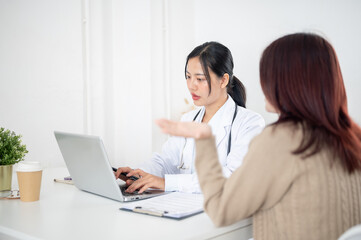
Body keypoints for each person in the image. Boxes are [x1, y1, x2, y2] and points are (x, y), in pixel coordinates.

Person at [156, 33, 361, 239]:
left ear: (288, 83)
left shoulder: (278, 140)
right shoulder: (353, 137)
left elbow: (221, 211)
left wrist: (204, 139)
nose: (263, 85)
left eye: (267, 76)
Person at [116, 42, 265, 193]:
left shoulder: (250, 123)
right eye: (188, 77)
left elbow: (232, 177)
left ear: (223, 80)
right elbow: (166, 161)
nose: (191, 86)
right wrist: (137, 174)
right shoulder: (188, 119)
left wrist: (166, 183)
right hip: (183, 208)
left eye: (200, 79)